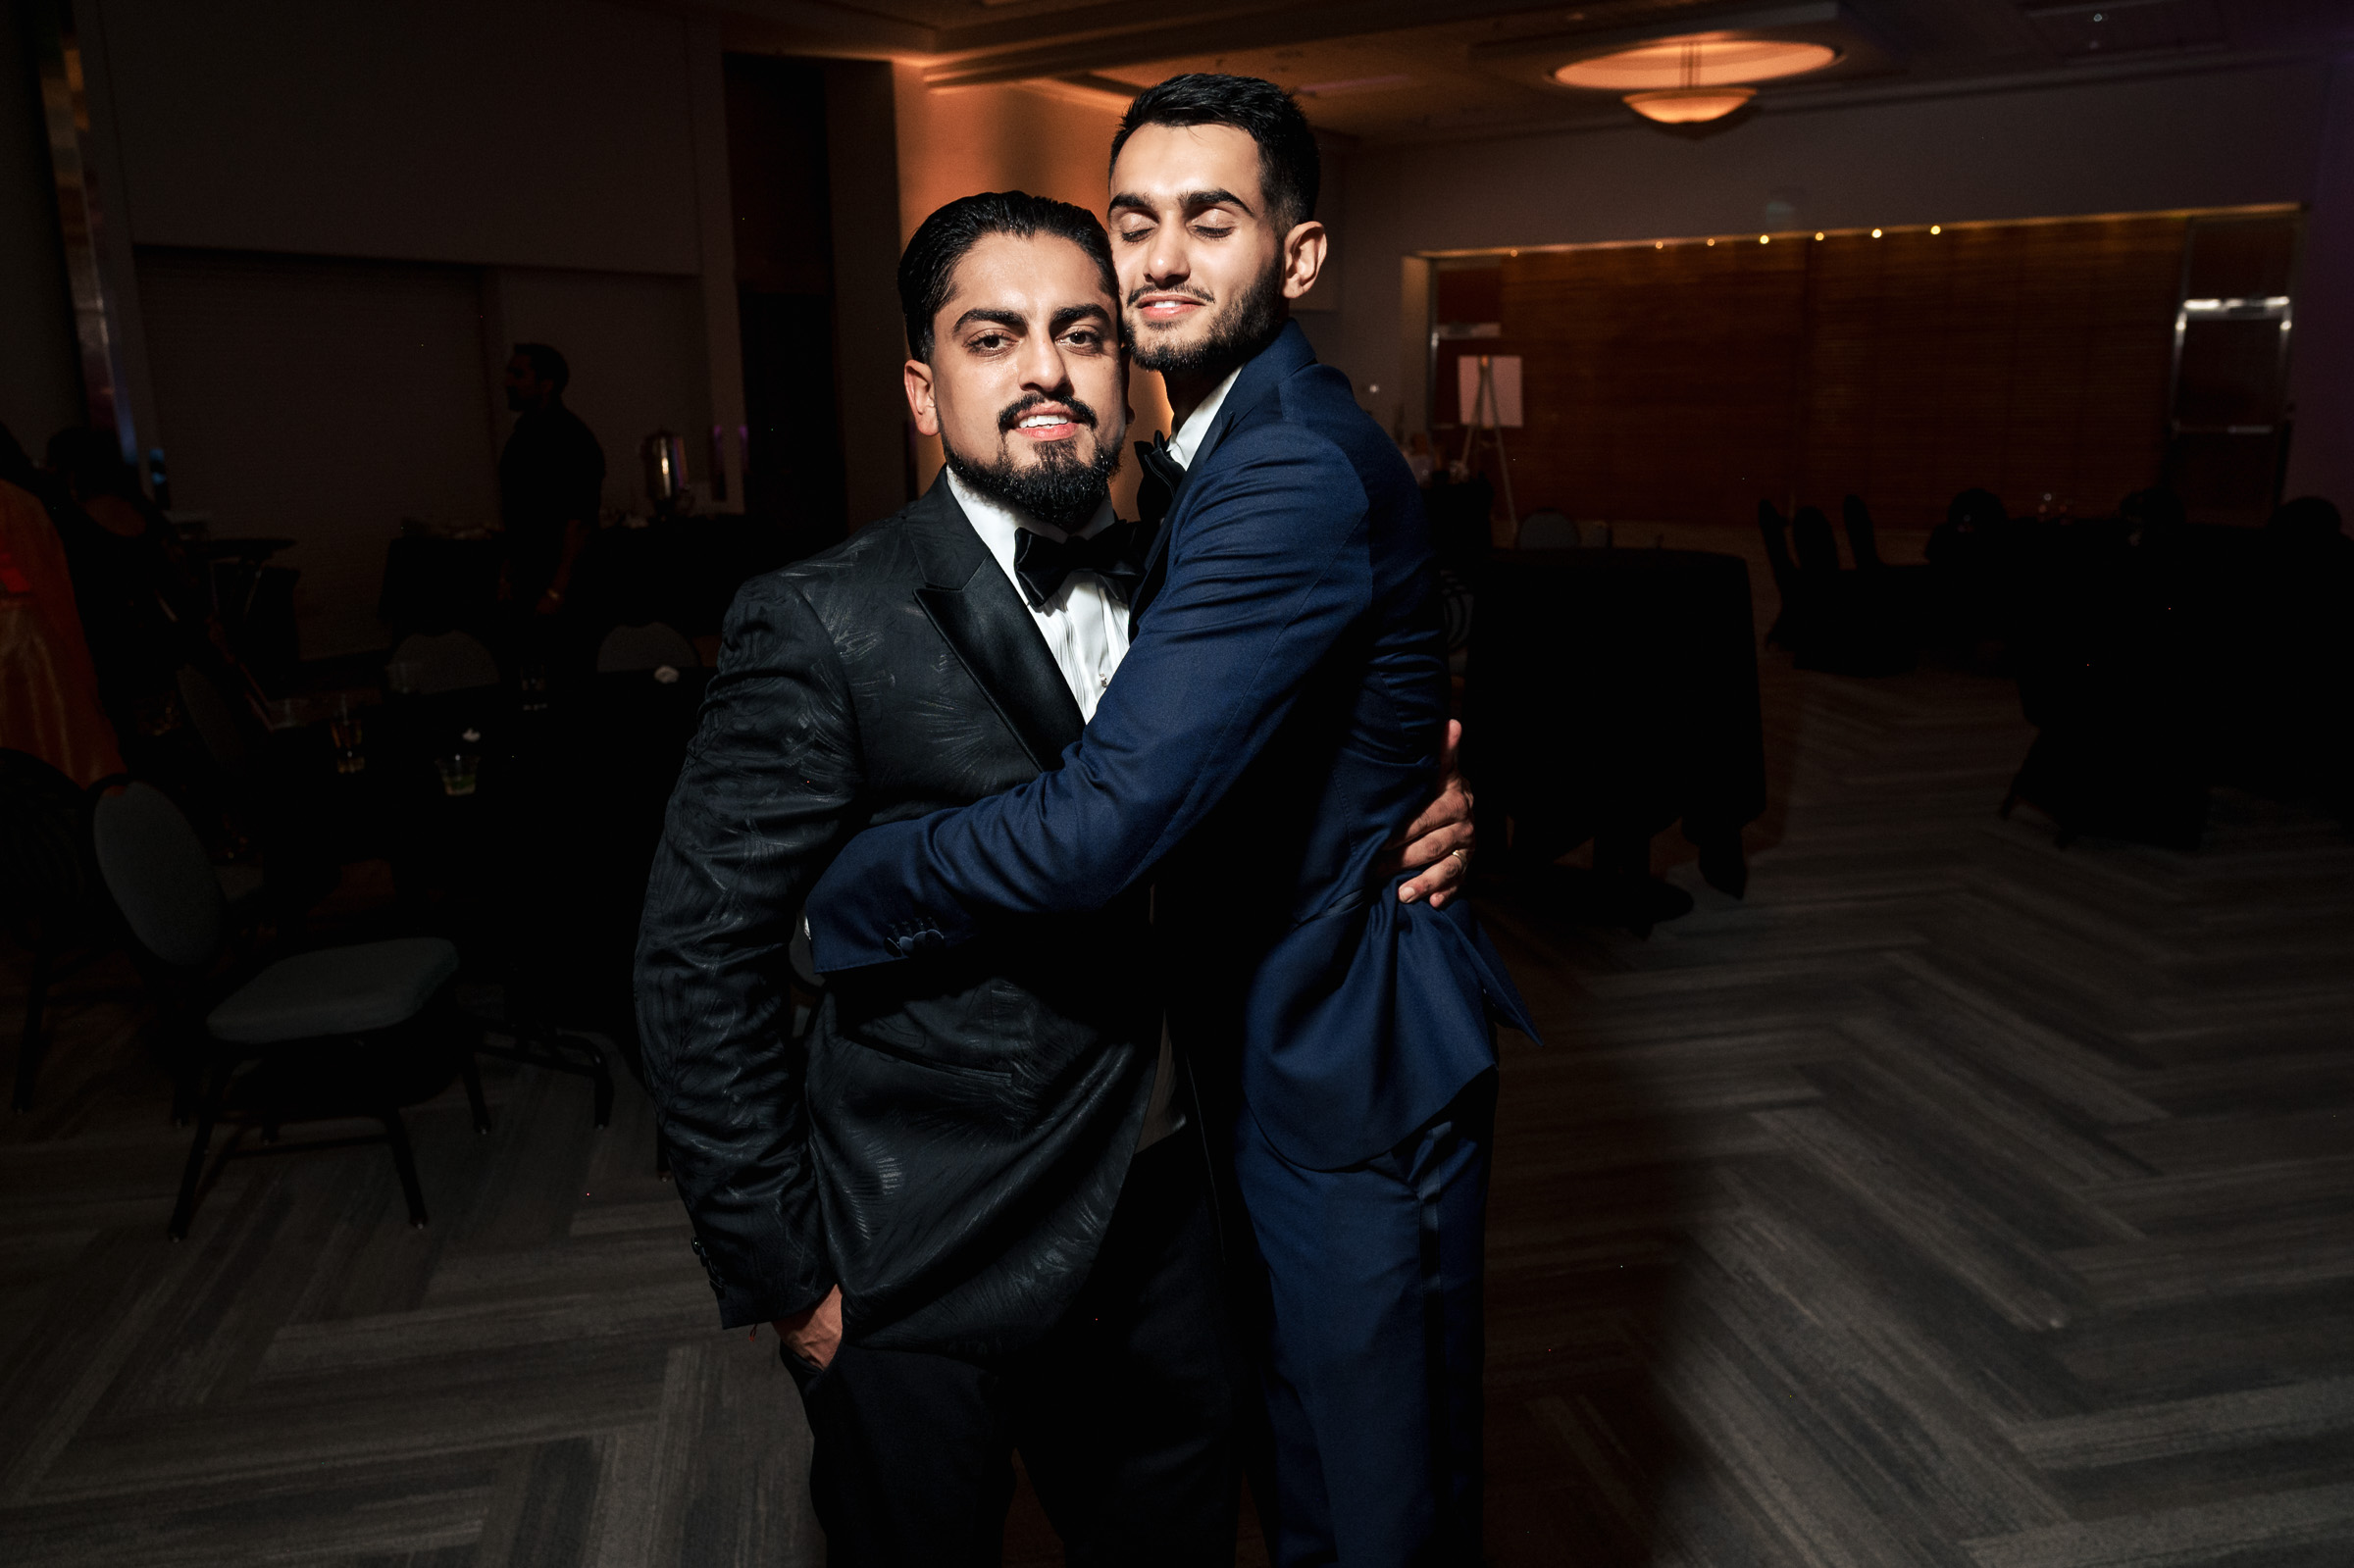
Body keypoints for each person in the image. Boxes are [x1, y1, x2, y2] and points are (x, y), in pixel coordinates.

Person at [637, 189, 1470, 1563]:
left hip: (1166, 1230)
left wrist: (1430, 796)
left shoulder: (1193, 577)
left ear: (1124, 365)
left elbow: (1346, 729)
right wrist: (795, 1281)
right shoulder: (821, 618)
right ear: (923, 386)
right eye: (993, 336)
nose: (1044, 370)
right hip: (922, 1244)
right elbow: (694, 965)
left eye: (1082, 333)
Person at [805, 76, 1530, 1567]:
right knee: (1307, 1466)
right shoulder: (1204, 458)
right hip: (1263, 1055)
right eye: (1135, 222)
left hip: (1344, 1062)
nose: (1161, 259)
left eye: (1212, 219)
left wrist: (859, 884)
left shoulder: (1274, 466)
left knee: (1371, 1500)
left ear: (1303, 255)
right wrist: (1424, 763)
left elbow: (1105, 820)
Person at [0, 424, 123, 785]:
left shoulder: (24, 500)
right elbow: (58, 592)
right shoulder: (25, 499)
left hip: (26, 648)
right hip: (32, 647)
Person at [497, 342, 603, 629]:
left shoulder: (570, 438)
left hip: (561, 583)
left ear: (546, 384)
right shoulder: (521, 437)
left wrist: (558, 589)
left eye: (518, 374)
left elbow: (578, 521)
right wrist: (509, 571)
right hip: (531, 578)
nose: (508, 382)